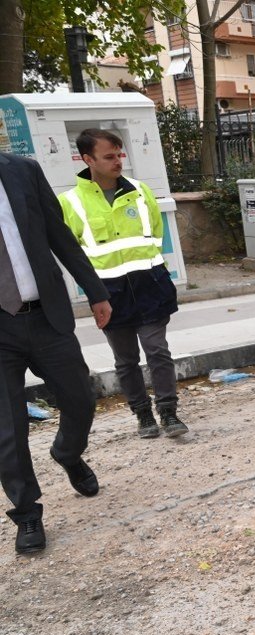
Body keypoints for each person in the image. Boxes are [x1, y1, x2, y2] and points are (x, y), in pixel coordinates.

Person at [0, 152, 112, 555]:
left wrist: (95, 290)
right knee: (8, 429)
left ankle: (67, 452)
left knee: (81, 398)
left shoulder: (22, 170)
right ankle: (27, 511)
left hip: (46, 316)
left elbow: (58, 233)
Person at [58, 129, 187, 439]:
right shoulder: (70, 202)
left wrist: (153, 268)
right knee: (125, 359)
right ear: (87, 159)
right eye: (109, 156)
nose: (118, 162)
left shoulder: (140, 191)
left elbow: (156, 234)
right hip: (108, 292)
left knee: (158, 350)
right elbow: (69, 251)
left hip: (150, 284)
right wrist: (92, 290)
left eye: (120, 155)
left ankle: (168, 412)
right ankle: (143, 414)